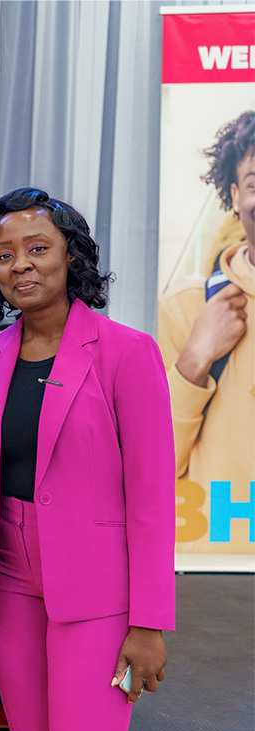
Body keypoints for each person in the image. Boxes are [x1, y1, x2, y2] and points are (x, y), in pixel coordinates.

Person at [0, 188, 176, 731]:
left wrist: (150, 623)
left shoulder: (127, 353)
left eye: (37, 249)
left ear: (72, 257)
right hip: (7, 587)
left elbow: (152, 500)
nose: (20, 265)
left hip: (98, 590)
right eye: (4, 255)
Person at [157, 110, 252, 531]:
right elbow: (150, 465)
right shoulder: (184, 308)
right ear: (233, 195)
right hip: (217, 567)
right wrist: (194, 359)